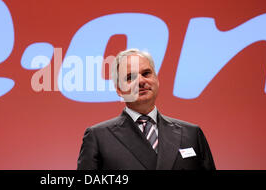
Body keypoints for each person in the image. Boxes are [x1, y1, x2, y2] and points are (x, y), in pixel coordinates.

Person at [77, 49, 216, 170]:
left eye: (146, 73)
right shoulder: (98, 137)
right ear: (119, 90)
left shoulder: (191, 134)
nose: (141, 81)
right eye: (130, 77)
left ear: (156, 79)